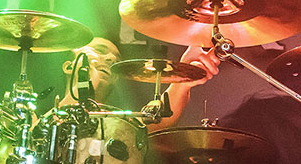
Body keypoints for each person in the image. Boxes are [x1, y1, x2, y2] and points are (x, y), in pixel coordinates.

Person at [58, 37, 220, 130]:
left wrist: (183, 78)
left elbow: (158, 121)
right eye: (100, 50)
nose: (111, 59)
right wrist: (84, 82)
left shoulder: (119, 126)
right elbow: (52, 125)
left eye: (116, 60)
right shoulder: (44, 119)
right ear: (68, 67)